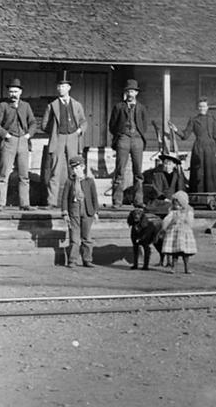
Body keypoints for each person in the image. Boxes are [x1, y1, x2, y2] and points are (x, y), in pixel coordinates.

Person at [41, 72, 88, 209]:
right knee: (55, 170)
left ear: (69, 88)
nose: (61, 88)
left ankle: (76, 199)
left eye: (64, 86)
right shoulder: (52, 106)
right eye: (59, 86)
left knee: (75, 169)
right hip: (59, 138)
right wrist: (55, 131)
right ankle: (52, 201)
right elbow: (44, 125)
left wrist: (80, 130)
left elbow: (83, 121)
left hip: (73, 137)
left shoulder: (77, 105)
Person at [0, 78, 36, 210]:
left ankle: (24, 203)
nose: (13, 94)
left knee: (24, 175)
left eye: (15, 91)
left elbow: (33, 122)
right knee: (4, 173)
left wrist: (28, 135)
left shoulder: (26, 106)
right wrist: (5, 134)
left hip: (23, 141)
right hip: (9, 141)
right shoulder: (3, 106)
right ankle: (1, 203)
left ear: (20, 92)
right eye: (11, 92)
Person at [107, 79, 152, 208]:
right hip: (123, 139)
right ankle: (117, 201)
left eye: (132, 91)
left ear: (136, 93)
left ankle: (138, 200)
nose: (130, 93)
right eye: (128, 91)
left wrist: (138, 135)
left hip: (137, 140)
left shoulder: (142, 108)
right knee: (120, 170)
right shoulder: (119, 107)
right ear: (125, 93)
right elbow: (112, 125)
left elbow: (144, 125)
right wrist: (121, 134)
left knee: (138, 172)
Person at [168, 98, 216, 193]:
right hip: (199, 148)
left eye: (204, 106)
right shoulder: (194, 120)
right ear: (198, 107)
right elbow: (185, 135)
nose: (202, 108)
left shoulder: (212, 119)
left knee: (211, 172)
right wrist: (176, 130)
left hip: (211, 148)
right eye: (200, 106)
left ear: (207, 107)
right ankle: (199, 195)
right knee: (198, 172)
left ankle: (213, 194)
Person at [58, 155, 97, 268]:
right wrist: (65, 212)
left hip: (87, 211)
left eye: (77, 168)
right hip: (74, 211)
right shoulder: (70, 181)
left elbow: (94, 197)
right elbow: (65, 198)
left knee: (87, 237)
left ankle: (87, 259)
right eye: (73, 168)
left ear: (83, 167)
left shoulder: (89, 181)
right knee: (74, 238)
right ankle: (72, 260)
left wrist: (96, 212)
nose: (75, 170)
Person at [157, 190, 197, 274]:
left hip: (184, 232)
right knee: (175, 252)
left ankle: (187, 267)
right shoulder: (172, 211)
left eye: (177, 204)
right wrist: (164, 227)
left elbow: (190, 221)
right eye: (174, 204)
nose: (175, 206)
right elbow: (167, 220)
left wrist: (186, 216)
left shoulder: (188, 210)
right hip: (174, 232)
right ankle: (173, 267)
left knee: (185, 253)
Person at [128, 204, 164, 270]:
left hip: (153, 232)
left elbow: (147, 249)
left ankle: (146, 266)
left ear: (142, 216)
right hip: (136, 234)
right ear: (132, 216)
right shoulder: (133, 229)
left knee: (151, 247)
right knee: (135, 248)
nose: (136, 216)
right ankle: (135, 265)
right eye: (135, 214)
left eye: (139, 214)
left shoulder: (146, 226)